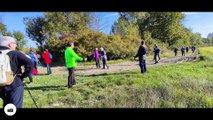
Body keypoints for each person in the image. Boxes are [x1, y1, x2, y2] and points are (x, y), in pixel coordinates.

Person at [0, 36, 33, 108]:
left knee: (6, 105)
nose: (16, 45)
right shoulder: (15, 54)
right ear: (10, 45)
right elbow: (30, 62)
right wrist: (24, 75)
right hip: (15, 84)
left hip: (1, 85)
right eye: (15, 43)